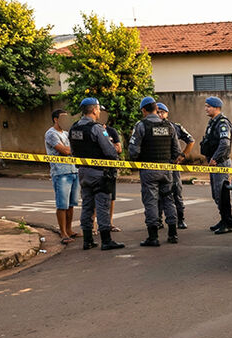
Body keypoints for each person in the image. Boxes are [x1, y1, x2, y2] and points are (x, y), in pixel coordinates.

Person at [68, 98, 124, 250]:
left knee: (87, 205)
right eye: (99, 109)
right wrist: (115, 151)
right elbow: (110, 151)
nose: (99, 112)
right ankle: (106, 241)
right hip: (99, 172)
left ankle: (87, 240)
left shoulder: (74, 128)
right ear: (94, 110)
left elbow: (72, 151)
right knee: (102, 205)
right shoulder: (97, 128)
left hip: (83, 172)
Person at [128, 96, 180, 246]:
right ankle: (172, 234)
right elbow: (177, 150)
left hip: (149, 169)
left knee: (151, 201)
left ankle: (153, 237)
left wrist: (137, 161)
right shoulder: (169, 125)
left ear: (144, 110)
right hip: (166, 169)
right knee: (169, 200)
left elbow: (133, 150)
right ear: (156, 109)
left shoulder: (141, 125)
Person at [200, 96, 232, 234]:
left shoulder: (222, 123)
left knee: (221, 194)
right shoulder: (212, 122)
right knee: (216, 194)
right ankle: (223, 219)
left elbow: (225, 143)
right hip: (214, 163)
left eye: (208, 106)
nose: (206, 108)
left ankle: (227, 222)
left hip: (220, 163)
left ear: (216, 108)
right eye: (206, 106)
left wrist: (215, 158)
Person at [45, 109, 80, 244]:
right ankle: (63, 232)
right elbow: (65, 151)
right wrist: (76, 149)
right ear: (55, 119)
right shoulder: (51, 134)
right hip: (61, 172)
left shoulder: (67, 133)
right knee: (62, 204)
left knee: (71, 204)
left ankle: (69, 229)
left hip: (73, 170)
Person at [157, 102, 194, 229]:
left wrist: (183, 155)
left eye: (162, 112)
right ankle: (158, 220)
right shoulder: (149, 126)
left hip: (172, 165)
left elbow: (190, 140)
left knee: (176, 192)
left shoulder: (175, 126)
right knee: (157, 194)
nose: (160, 114)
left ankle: (181, 219)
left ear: (167, 114)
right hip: (158, 165)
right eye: (157, 112)